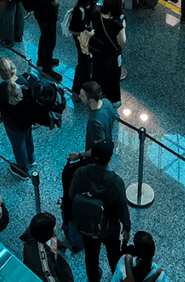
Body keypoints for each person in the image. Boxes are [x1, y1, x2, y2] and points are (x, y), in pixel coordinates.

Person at [68, 141, 130, 282]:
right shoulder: (116, 182)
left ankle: (94, 278)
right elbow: (122, 209)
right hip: (110, 227)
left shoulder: (80, 173)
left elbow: (72, 195)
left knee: (91, 255)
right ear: (109, 160)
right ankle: (116, 277)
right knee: (114, 255)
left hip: (87, 225)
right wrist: (127, 228)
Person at [0, 57, 36, 179]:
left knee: (18, 145)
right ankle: (31, 159)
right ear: (14, 68)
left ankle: (24, 170)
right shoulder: (23, 80)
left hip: (12, 124)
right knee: (28, 137)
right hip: (27, 119)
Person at [88, 0, 126, 106]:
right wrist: (123, 26)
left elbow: (90, 26)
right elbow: (122, 41)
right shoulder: (117, 24)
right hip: (111, 54)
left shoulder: (96, 14)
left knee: (97, 73)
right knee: (113, 76)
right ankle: (114, 99)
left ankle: (98, 94)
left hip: (98, 50)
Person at [69, 0, 102, 95]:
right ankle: (77, 88)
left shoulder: (90, 7)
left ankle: (85, 81)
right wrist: (85, 32)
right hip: (81, 38)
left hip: (86, 37)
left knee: (87, 61)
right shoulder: (79, 11)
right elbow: (73, 30)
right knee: (83, 62)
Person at [32, 0, 64, 81]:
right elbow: (55, 1)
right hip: (46, 15)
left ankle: (42, 59)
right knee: (49, 41)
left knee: (45, 38)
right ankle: (47, 68)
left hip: (45, 14)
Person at [20, 212, 74, 282]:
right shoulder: (42, 257)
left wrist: (64, 249)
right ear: (47, 233)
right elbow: (49, 277)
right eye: (54, 227)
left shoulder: (34, 234)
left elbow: (53, 240)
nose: (56, 228)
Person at [70, 81, 117, 160]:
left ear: (91, 100)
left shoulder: (94, 122)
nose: (79, 96)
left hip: (95, 158)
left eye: (82, 95)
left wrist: (79, 155)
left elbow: (99, 149)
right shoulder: (107, 102)